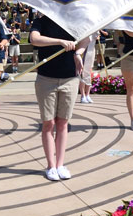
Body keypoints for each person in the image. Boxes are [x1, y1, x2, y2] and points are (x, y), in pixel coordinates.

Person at [29, 13, 89, 180]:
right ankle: (50, 165)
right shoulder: (41, 22)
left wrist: (78, 53)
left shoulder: (73, 20)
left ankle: (60, 164)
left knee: (63, 123)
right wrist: (59, 41)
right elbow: (34, 39)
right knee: (48, 123)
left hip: (69, 78)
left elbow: (86, 38)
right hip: (46, 79)